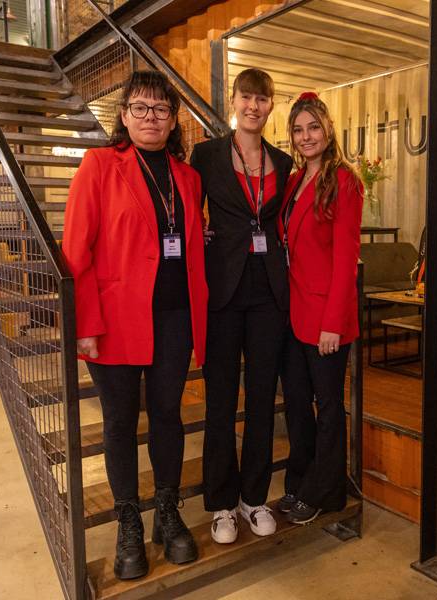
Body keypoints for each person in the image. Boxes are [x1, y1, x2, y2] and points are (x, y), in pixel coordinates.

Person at [63, 70, 208, 580]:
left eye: (162, 109)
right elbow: (76, 250)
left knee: (168, 415)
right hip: (115, 321)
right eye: (141, 108)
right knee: (121, 422)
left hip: (174, 320)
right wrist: (84, 322)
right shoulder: (100, 165)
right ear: (124, 116)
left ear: (173, 120)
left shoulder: (187, 178)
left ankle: (167, 514)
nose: (152, 117)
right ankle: (129, 519)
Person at [190, 68, 293, 543]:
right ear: (233, 101)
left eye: (262, 99)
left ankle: (254, 498)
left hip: (269, 292)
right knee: (220, 401)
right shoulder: (206, 155)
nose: (254, 106)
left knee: (260, 400)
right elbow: (189, 214)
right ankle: (221, 504)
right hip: (222, 292)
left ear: (272, 105)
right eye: (246, 97)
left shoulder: (284, 162)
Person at [276, 92, 362, 524]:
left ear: (327, 130)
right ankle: (301, 482)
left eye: (313, 127)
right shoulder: (293, 182)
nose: (306, 136)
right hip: (294, 315)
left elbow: (346, 258)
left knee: (328, 407)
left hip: (327, 318)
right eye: (298, 129)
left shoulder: (344, 180)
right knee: (295, 404)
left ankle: (327, 492)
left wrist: (332, 323)